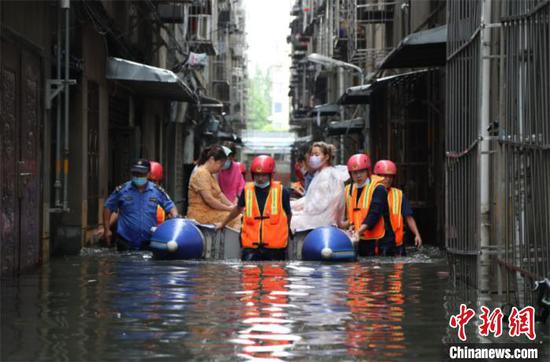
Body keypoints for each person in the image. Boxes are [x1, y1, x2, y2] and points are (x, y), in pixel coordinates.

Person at [217, 155, 292, 261]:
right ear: (252, 175)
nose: (260, 178)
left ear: (271, 175)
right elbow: (237, 209)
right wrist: (223, 224)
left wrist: (284, 231)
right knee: (249, 275)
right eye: (257, 175)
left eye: (264, 175)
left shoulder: (282, 191)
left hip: (275, 248)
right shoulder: (247, 190)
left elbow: (288, 215)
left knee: (275, 275)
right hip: (251, 247)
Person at [103, 159, 178, 251]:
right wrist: (106, 229)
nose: (138, 176)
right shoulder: (122, 190)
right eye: (135, 173)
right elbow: (108, 207)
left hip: (147, 242)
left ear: (148, 174)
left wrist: (175, 221)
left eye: (141, 174)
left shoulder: (157, 191)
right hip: (125, 242)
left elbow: (170, 207)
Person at [342, 154, 395, 257]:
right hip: (360, 239)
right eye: (355, 172)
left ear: (368, 171)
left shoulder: (379, 188)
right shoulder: (348, 189)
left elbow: (374, 214)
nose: (358, 175)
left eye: (361, 171)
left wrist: (358, 231)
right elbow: (350, 216)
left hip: (381, 241)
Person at [290, 142, 348, 231]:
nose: (313, 158)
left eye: (317, 155)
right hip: (324, 219)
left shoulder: (326, 176)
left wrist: (296, 208)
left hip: (322, 222)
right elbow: (311, 199)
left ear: (326, 157)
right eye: (312, 155)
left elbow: (317, 205)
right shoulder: (322, 173)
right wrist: (294, 204)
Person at [374, 160, 422, 255]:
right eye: (384, 176)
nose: (387, 179)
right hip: (377, 242)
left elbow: (408, 217)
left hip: (396, 242)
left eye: (390, 176)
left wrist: (417, 234)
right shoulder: (370, 193)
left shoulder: (399, 195)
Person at [186, 145, 240, 228]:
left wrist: (232, 207)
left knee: (237, 215)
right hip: (200, 214)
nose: (221, 169)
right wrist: (228, 209)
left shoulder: (210, 174)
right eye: (220, 165)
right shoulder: (201, 173)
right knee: (236, 218)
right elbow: (209, 200)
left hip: (210, 211)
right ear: (211, 160)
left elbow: (219, 194)